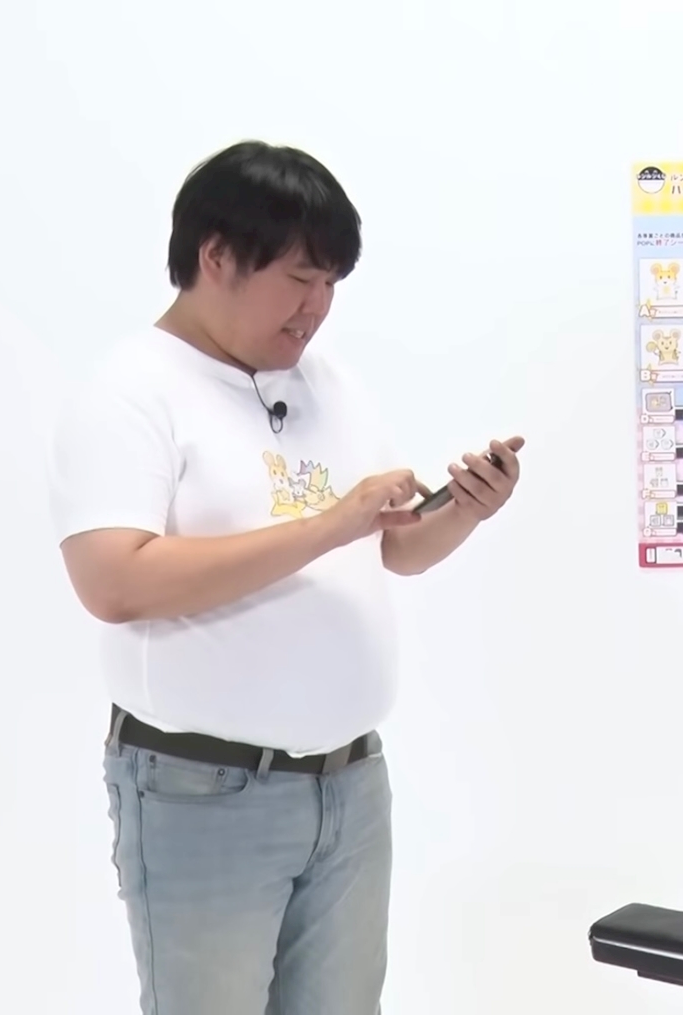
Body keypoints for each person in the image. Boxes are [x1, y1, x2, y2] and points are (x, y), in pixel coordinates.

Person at [46, 140, 524, 1015]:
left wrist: (463, 510)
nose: (318, 307)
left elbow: (392, 547)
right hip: (204, 794)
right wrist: (325, 525)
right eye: (301, 278)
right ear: (216, 254)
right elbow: (113, 580)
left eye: (332, 282)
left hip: (349, 786)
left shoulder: (328, 382)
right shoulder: (132, 391)